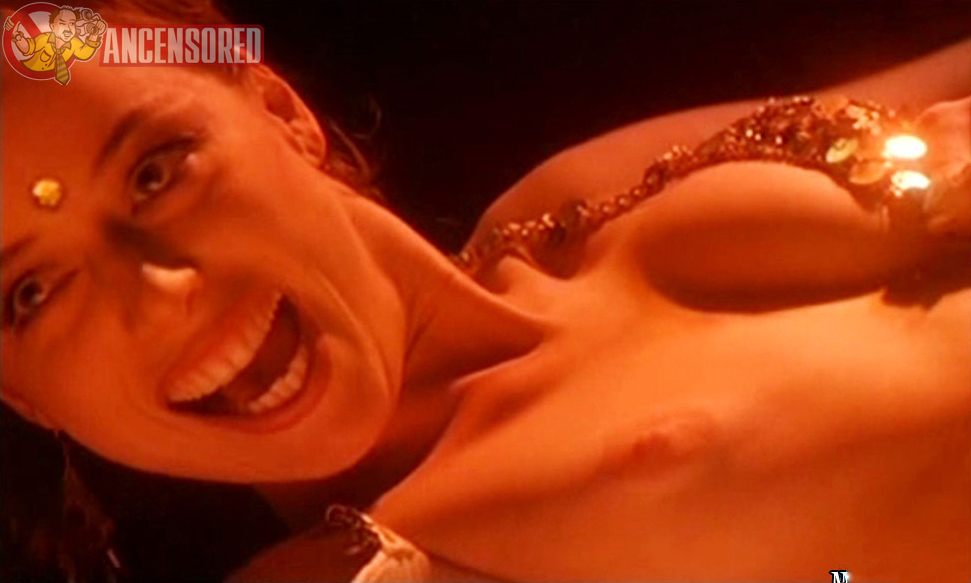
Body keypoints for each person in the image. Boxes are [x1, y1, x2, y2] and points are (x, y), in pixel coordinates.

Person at [2, 1, 969, 581]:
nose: (156, 291)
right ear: (21, 396)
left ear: (279, 108)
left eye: (155, 172)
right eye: (30, 290)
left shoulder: (566, 201)